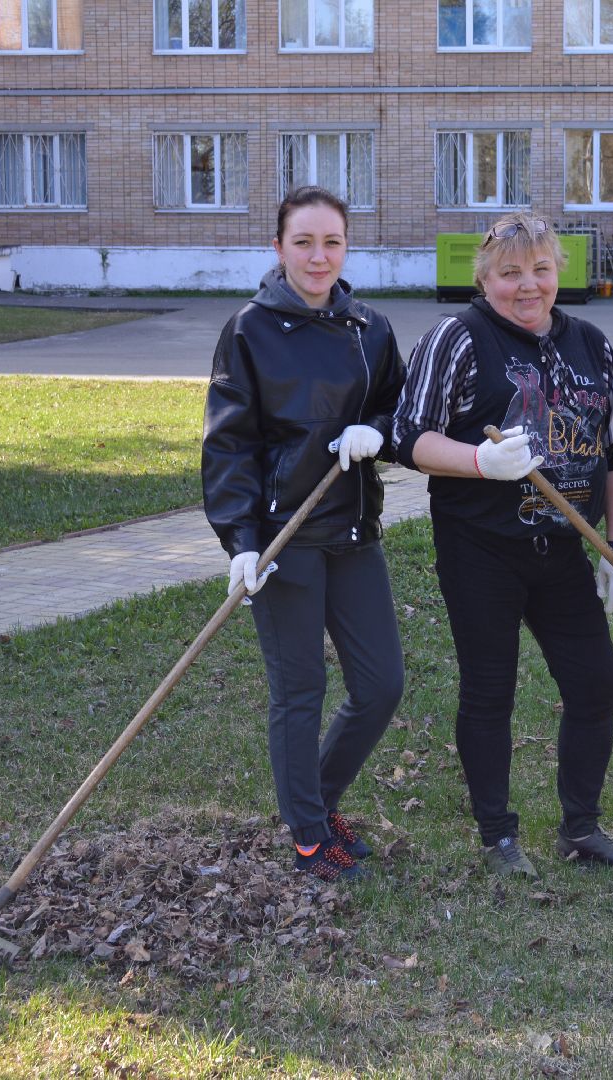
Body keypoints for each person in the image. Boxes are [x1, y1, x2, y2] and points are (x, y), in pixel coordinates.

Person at [392, 211, 613, 879]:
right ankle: (497, 834)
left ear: (558, 271)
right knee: (489, 689)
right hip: (481, 545)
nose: (526, 286)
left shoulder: (591, 342)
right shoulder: (458, 337)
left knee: (597, 683)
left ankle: (581, 827)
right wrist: (480, 463)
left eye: (540, 269)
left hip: (563, 547)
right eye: (509, 273)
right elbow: (409, 436)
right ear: (484, 278)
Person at [201, 186, 405, 884]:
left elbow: (396, 409)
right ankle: (311, 836)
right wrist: (242, 542)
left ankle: (313, 801)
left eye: (332, 243)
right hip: (284, 538)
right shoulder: (249, 331)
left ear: (348, 248)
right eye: (304, 242)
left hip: (351, 530)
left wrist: (376, 429)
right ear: (278, 247)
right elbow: (229, 445)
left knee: (381, 685)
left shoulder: (369, 328)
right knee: (300, 690)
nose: (319, 258)